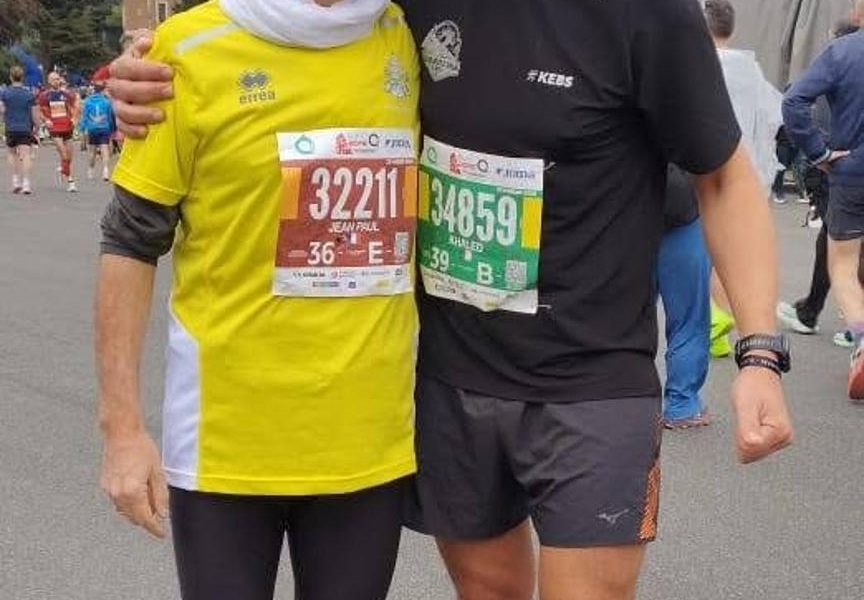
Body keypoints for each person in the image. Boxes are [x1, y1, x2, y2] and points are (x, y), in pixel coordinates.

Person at [110, 0, 795, 597]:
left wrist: (759, 350)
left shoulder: (642, 12)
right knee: (489, 593)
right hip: (454, 378)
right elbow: (287, 27)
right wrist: (151, 63)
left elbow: (723, 176)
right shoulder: (405, 6)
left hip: (591, 380)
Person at [96, 1, 420, 599]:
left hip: (366, 443)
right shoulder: (186, 53)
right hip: (225, 449)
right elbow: (129, 243)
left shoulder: (405, 34)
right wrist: (122, 428)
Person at [783, 0, 864, 399]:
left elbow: (794, 101)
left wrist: (817, 154)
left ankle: (863, 341)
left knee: (844, 266)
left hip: (852, 174)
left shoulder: (843, 52)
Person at [704, 0, 784, 360]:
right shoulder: (751, 68)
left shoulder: (694, 64)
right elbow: (777, 114)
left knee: (697, 253)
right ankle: (724, 322)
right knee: (730, 252)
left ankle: (714, 319)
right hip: (744, 174)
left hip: (699, 171)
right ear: (731, 29)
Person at [658, 166, 712, 430]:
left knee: (622, 313)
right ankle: (682, 404)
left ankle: (613, 398)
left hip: (622, 208)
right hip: (680, 206)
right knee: (689, 317)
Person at [0, 65, 39, 195]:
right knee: (26, 155)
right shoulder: (29, 94)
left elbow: (2, 110)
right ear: (23, 78)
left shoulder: (5, 93)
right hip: (25, 128)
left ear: (11, 77)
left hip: (11, 127)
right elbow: (34, 114)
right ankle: (26, 183)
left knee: (12, 154)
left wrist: (3, 121)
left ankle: (16, 181)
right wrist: (37, 127)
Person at [37, 71, 79, 193]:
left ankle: (64, 169)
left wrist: (74, 118)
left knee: (69, 157)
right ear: (49, 82)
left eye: (58, 79)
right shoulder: (44, 96)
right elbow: (40, 111)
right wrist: (46, 120)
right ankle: (71, 181)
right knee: (64, 154)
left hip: (67, 127)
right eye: (54, 79)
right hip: (55, 128)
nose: (56, 81)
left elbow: (75, 106)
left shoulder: (66, 94)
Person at [79, 81, 116, 181]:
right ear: (103, 90)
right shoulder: (106, 102)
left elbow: (84, 117)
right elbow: (110, 116)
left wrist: (82, 129)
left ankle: (90, 170)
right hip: (104, 127)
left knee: (92, 151)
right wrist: (113, 129)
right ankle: (105, 170)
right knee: (105, 149)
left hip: (92, 128)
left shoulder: (87, 102)